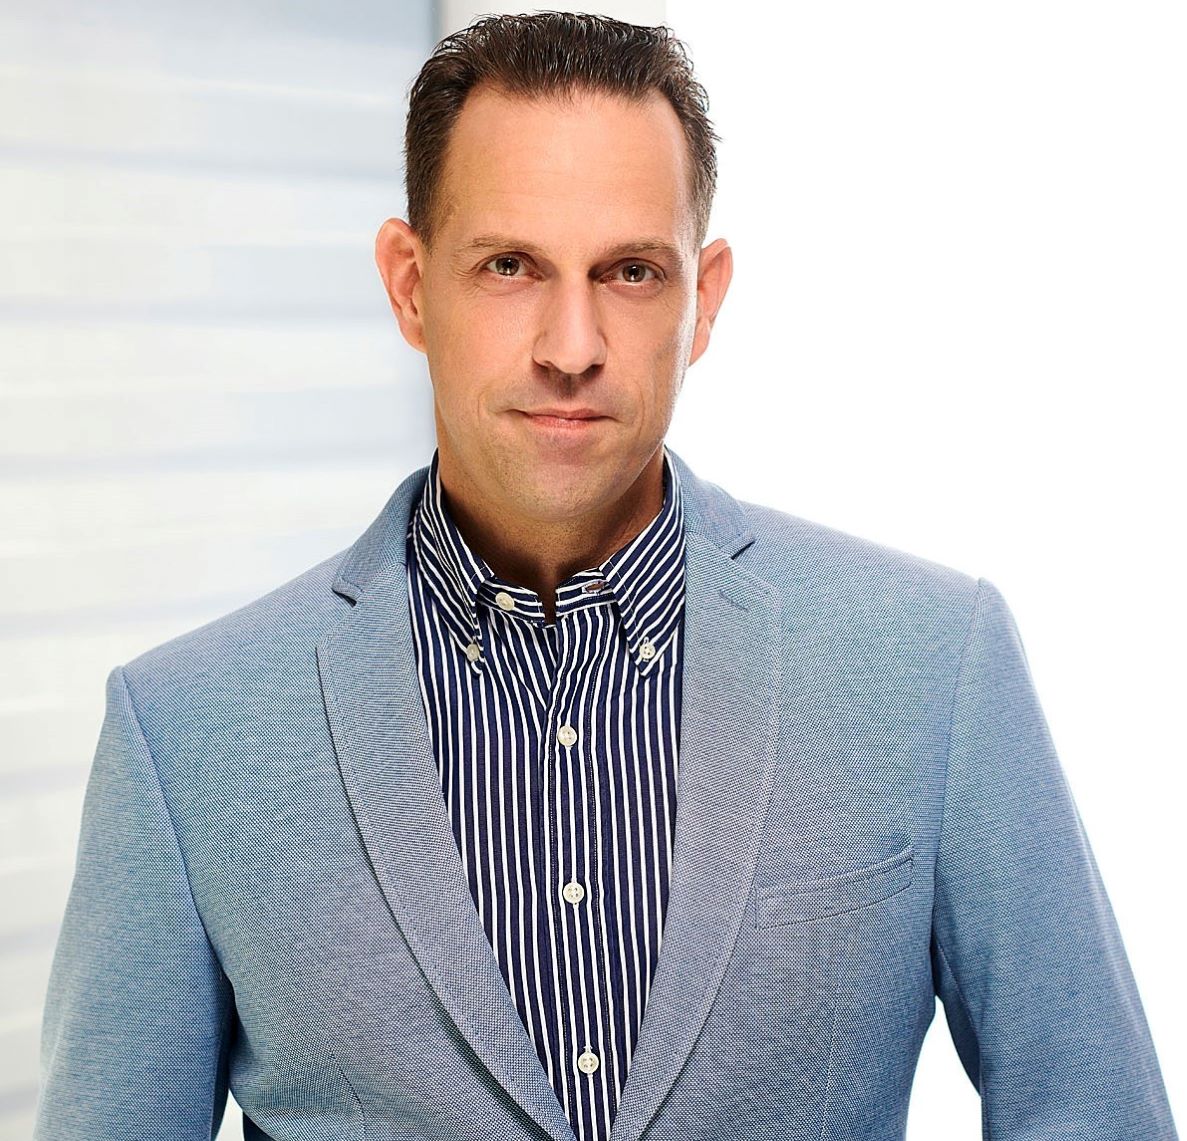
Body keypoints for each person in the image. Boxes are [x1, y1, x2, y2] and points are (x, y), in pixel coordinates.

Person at [34, 12, 1177, 1141]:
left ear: (703, 299)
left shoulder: (931, 663)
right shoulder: (184, 734)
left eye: (629, 272)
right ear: (410, 285)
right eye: (508, 266)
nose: (570, 346)